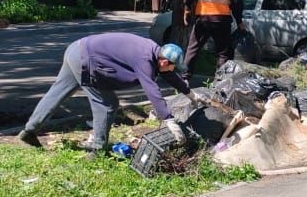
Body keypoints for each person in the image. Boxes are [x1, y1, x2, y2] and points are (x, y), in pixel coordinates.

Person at [18, 34, 202, 154]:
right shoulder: (145, 59)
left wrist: (191, 94)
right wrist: (168, 119)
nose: (173, 70)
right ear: (164, 62)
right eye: (172, 66)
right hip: (86, 59)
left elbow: (170, 75)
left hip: (77, 49)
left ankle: (29, 131)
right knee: (107, 104)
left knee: (57, 93)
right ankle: (98, 149)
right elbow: (152, 90)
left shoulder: (156, 52)